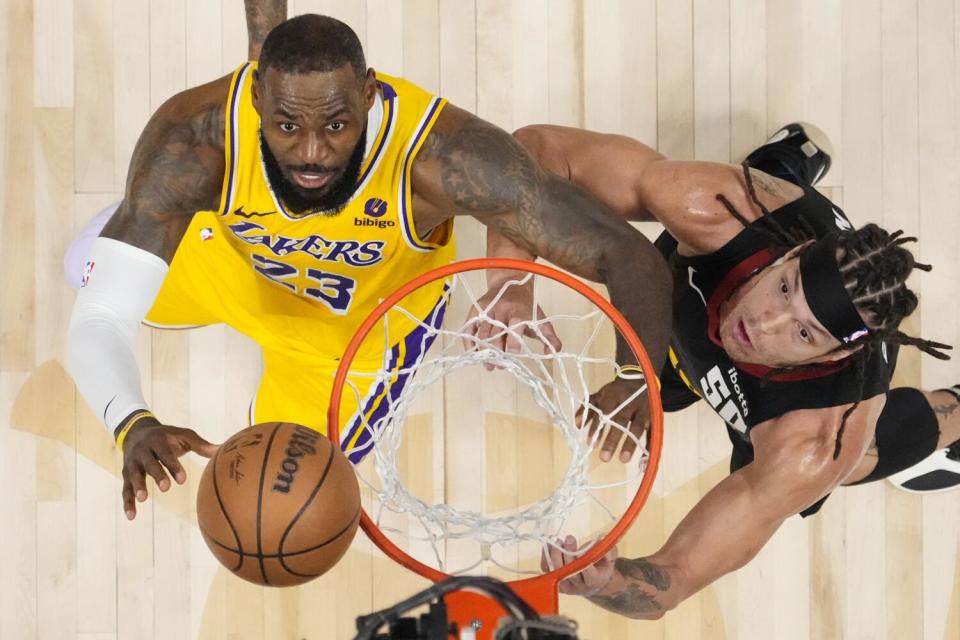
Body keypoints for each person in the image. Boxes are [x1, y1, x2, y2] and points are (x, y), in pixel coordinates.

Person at [63, 6, 673, 522]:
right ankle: (155, 235)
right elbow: (99, 322)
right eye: (286, 126)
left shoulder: (445, 158)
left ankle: (157, 240)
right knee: (84, 270)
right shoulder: (194, 140)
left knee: (286, 509)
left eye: (336, 125)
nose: (311, 153)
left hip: (355, 332)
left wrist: (634, 378)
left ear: (369, 94)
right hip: (233, 267)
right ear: (255, 100)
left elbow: (629, 254)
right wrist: (131, 422)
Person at [485, 122, 958, 618]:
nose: (762, 323)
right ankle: (777, 172)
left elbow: (675, 580)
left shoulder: (813, 438)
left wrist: (608, 582)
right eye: (783, 289)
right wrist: (510, 280)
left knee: (852, 462)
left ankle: (955, 417)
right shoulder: (718, 209)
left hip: (778, 406)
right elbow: (538, 150)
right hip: (703, 283)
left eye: (803, 334)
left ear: (832, 357)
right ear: (790, 253)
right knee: (694, 239)